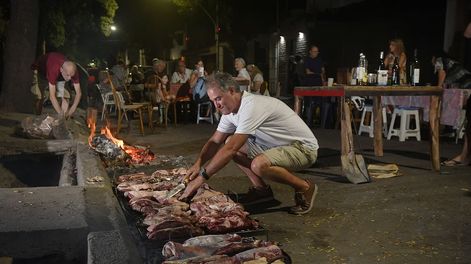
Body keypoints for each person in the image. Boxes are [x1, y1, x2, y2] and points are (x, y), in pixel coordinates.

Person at [180, 72, 319, 215]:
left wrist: (200, 179)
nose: (217, 105)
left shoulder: (250, 106)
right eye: (213, 101)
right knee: (229, 141)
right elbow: (215, 141)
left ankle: (304, 187)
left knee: (257, 164)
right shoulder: (230, 112)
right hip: (274, 146)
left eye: (218, 99)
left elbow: (230, 149)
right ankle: (262, 191)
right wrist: (198, 163)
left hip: (303, 148)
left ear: (232, 91)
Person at [431, 52, 471, 166]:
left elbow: (442, 76)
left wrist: (437, 90)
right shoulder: (451, 62)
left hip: (467, 86)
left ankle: (464, 156)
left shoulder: (440, 60)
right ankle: (464, 156)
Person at [31, 52, 82, 118]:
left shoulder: (72, 70)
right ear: (61, 70)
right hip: (41, 72)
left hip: (59, 76)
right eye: (68, 75)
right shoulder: (53, 68)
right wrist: (60, 114)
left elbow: (79, 93)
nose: (70, 79)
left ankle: (64, 117)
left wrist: (71, 110)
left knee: (65, 96)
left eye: (71, 76)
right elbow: (52, 97)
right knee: (40, 96)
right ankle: (37, 116)